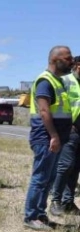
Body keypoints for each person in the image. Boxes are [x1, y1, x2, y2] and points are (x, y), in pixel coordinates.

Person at [23, 46, 74, 231]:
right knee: (40, 177)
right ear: (55, 59)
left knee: (49, 179)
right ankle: (31, 216)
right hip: (45, 137)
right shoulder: (45, 81)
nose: (71, 61)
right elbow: (44, 111)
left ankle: (40, 214)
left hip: (55, 137)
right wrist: (54, 136)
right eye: (67, 58)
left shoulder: (58, 81)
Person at [50, 56, 80, 216]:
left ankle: (68, 202)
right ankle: (56, 201)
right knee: (65, 165)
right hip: (70, 130)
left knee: (75, 168)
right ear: (76, 65)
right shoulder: (65, 81)